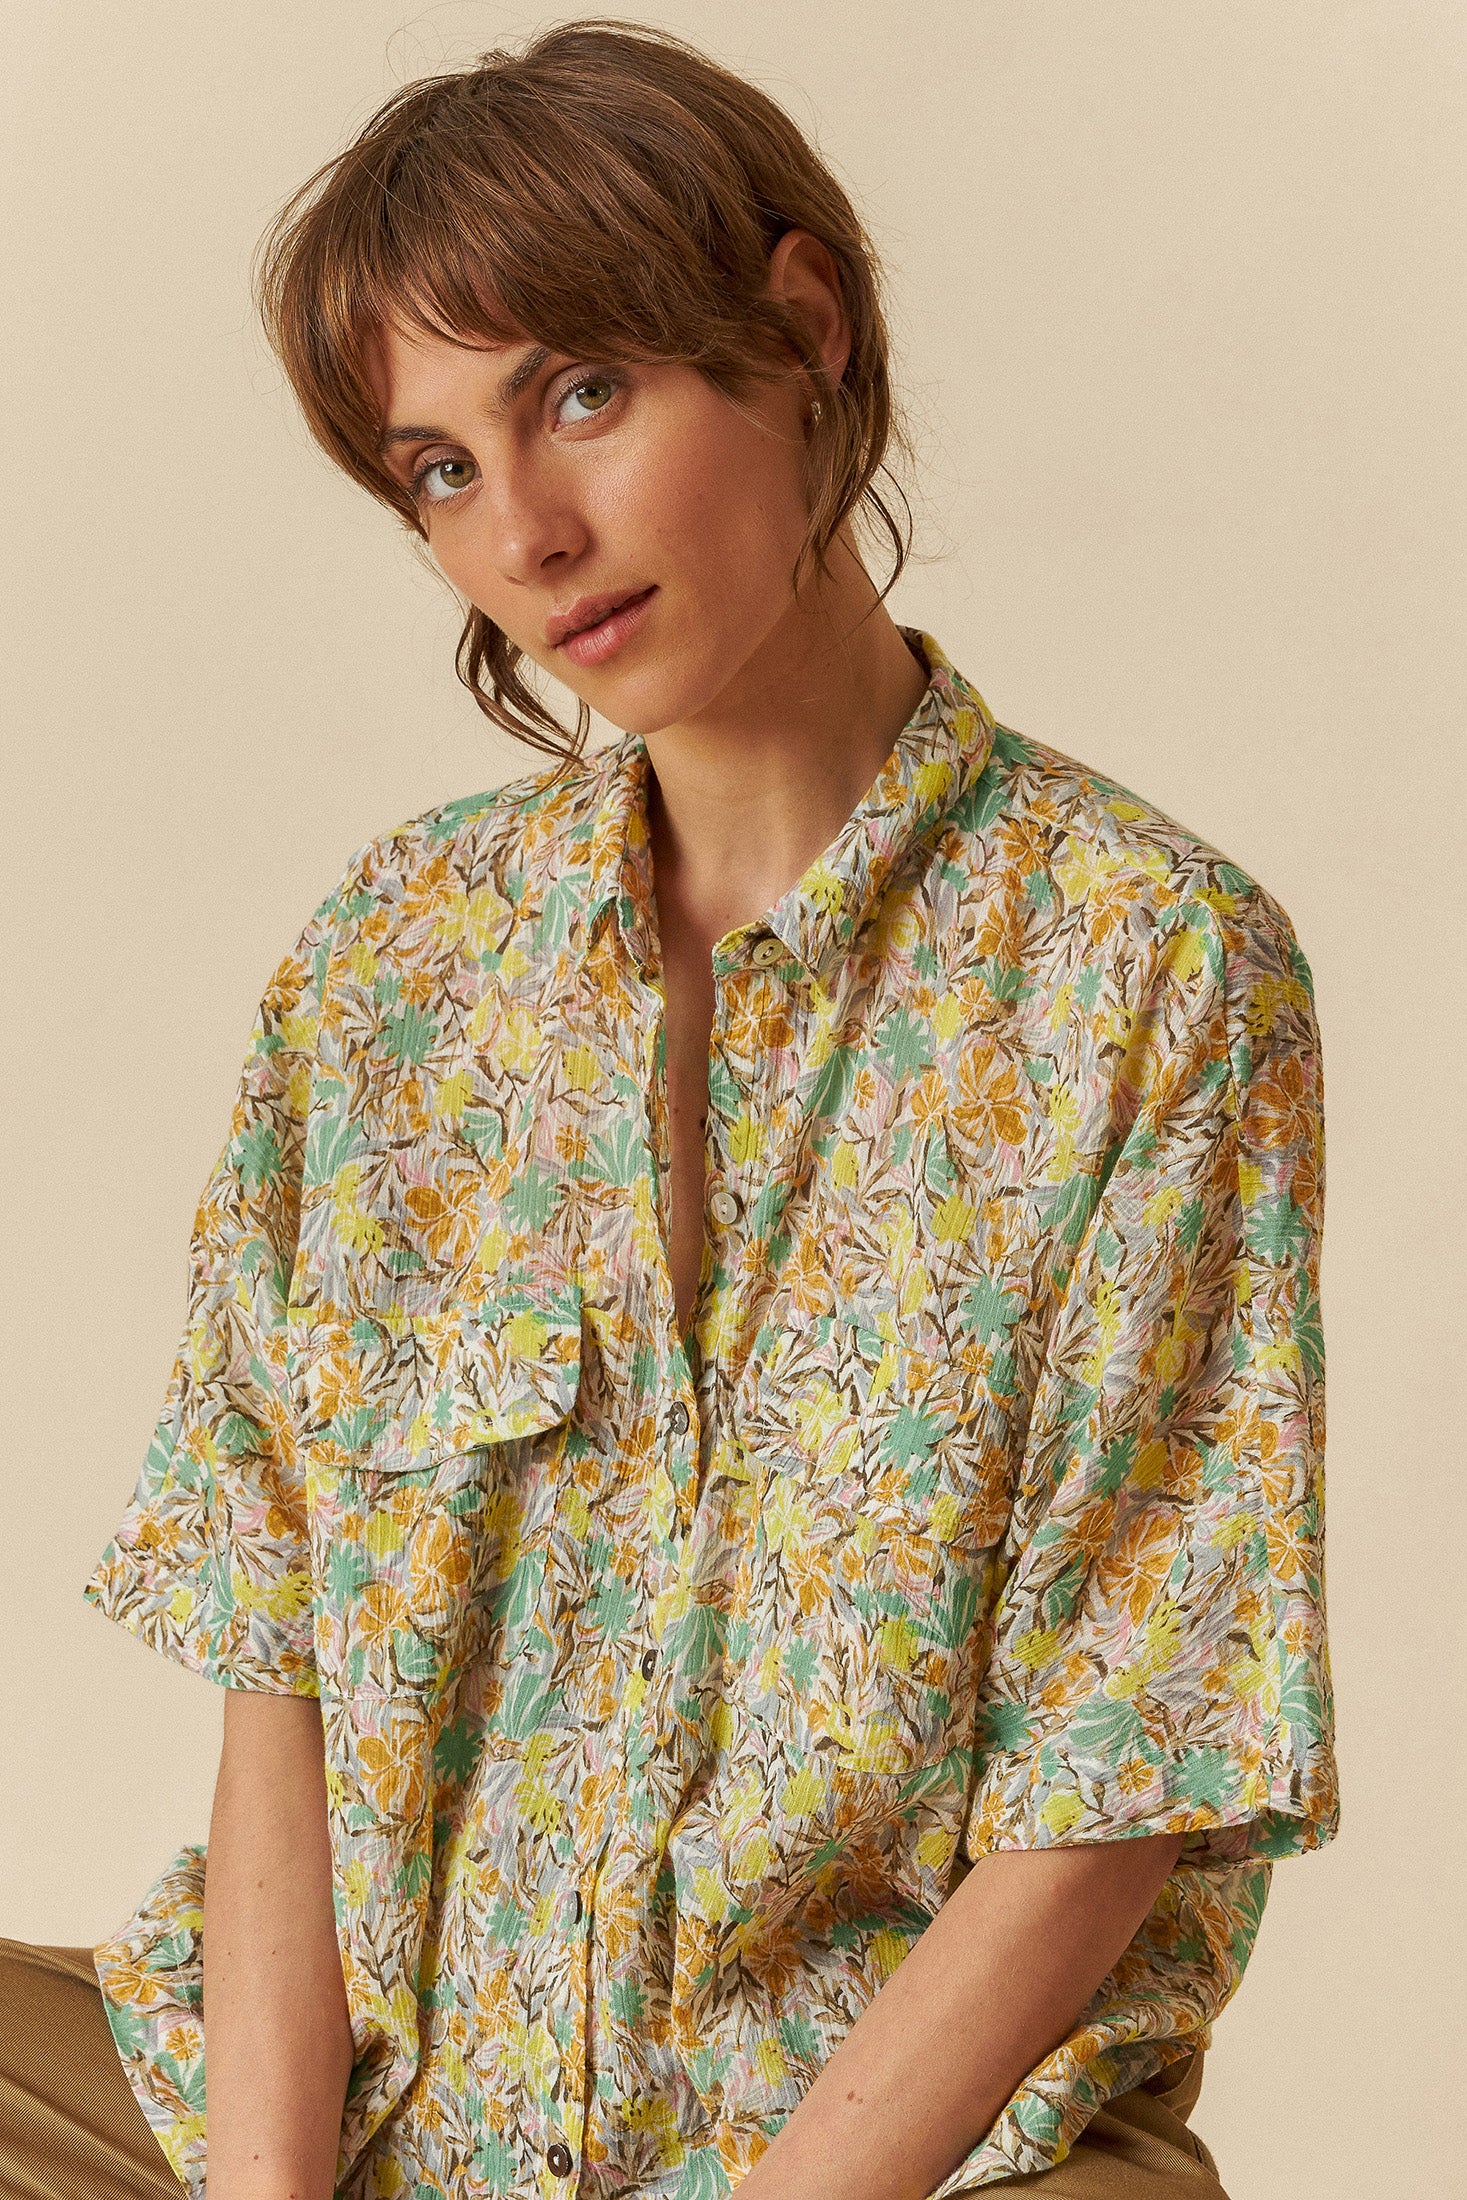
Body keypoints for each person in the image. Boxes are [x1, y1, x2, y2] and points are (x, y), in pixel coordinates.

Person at [0, 20, 1337, 2200]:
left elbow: (1120, 1770)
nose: (527, 534)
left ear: (799, 334)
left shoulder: (1150, 970)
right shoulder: (389, 971)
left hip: (902, 2150)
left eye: (580, 395)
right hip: (393, 2098)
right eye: (438, 467)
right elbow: (282, 1673)